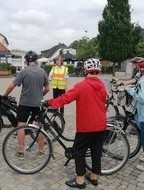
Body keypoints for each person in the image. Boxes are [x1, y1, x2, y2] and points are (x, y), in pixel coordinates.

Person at [47, 58, 107, 189]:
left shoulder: (81, 85)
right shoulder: (102, 85)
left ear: (86, 71)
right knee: (96, 151)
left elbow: (66, 98)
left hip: (87, 125)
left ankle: (80, 181)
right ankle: (94, 177)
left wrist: (50, 102)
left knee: (79, 151)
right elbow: (104, 99)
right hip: (101, 124)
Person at [4, 50, 50, 160]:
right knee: (39, 126)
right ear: (36, 60)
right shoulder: (43, 72)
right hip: (37, 103)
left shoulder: (24, 72)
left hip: (24, 103)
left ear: (26, 61)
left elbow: (12, 85)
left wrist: (5, 95)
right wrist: (40, 95)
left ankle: (21, 152)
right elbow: (47, 89)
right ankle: (41, 150)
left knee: (21, 126)